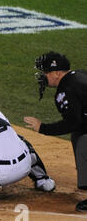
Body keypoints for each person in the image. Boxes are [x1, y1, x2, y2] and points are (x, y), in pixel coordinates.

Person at [24, 51, 87, 212]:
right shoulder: (78, 75)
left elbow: (72, 122)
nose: (43, 76)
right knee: (80, 135)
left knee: (83, 141)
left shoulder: (66, 89)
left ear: (57, 73)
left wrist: (43, 128)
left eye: (46, 72)